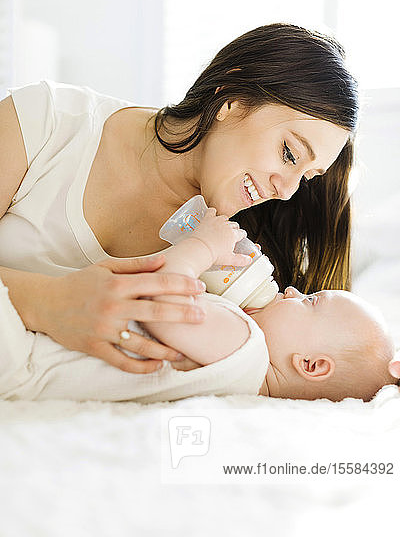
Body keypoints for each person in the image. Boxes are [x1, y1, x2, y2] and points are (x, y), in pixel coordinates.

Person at [0, 22, 377, 377]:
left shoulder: (228, 255)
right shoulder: (45, 121)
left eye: (306, 179)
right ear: (231, 101)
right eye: (289, 154)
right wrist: (47, 302)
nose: (287, 191)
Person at [0, 208, 396, 403]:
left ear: (310, 365)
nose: (292, 290)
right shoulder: (238, 376)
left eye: (311, 301)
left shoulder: (246, 348)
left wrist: (203, 246)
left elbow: (162, 300)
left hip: (26, 355)